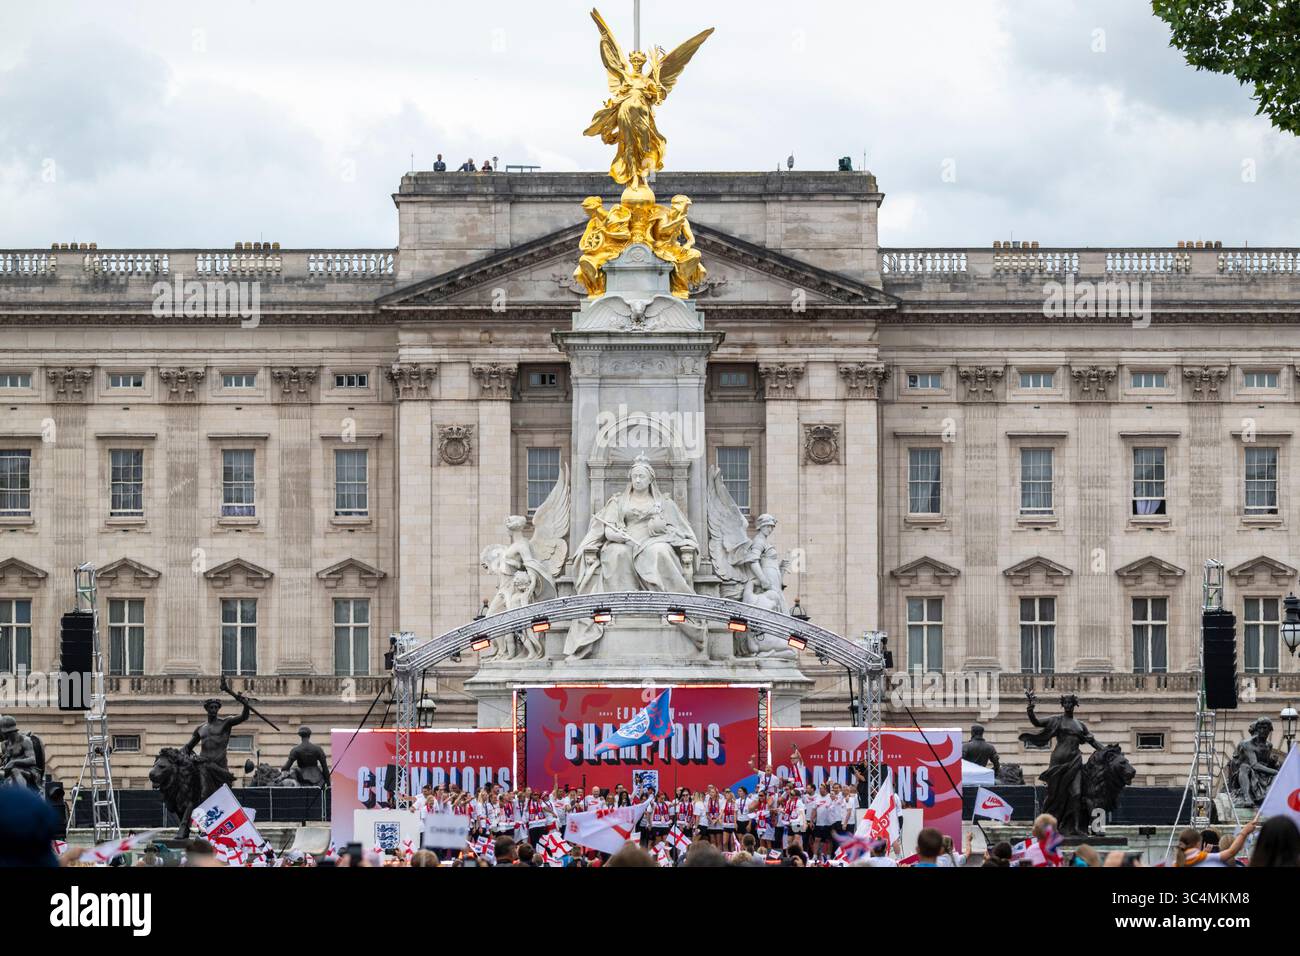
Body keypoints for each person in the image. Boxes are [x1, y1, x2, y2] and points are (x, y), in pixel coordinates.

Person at [1174, 816, 1257, 867]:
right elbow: (1231, 852)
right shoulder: (1204, 858)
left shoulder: (1176, 862)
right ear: (1198, 843)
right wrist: (1245, 832)